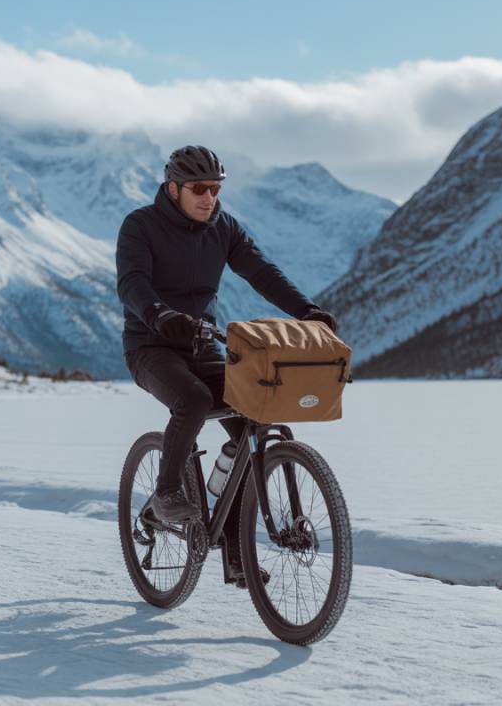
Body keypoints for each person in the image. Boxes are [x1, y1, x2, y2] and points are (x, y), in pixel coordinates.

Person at [116, 145, 337, 579]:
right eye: (199, 188)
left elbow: (261, 271)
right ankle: (166, 491)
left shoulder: (223, 228)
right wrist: (159, 315)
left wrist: (306, 312)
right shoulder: (140, 226)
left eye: (215, 189)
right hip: (150, 347)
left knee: (253, 420)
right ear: (173, 188)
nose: (208, 198)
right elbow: (132, 284)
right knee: (194, 400)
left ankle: (236, 555)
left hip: (204, 347)